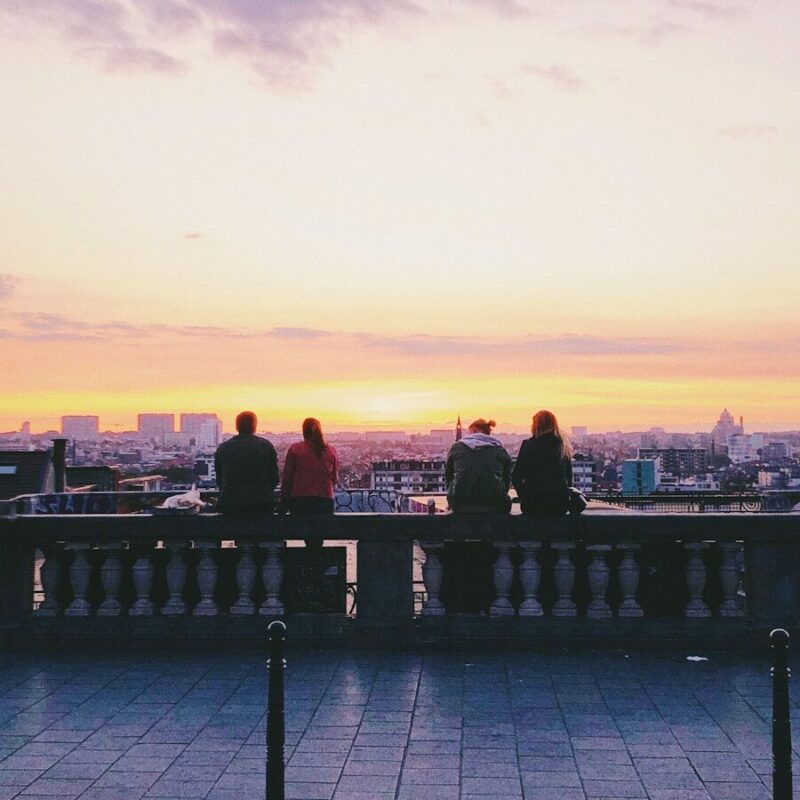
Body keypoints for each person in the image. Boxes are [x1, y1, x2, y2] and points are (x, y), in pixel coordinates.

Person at [214, 411, 279, 514]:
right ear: (254, 426)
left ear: (237, 426)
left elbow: (219, 478)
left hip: (230, 503)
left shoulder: (224, 447)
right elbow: (274, 477)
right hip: (261, 503)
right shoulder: (265, 446)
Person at [512, 409, 573, 516]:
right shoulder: (562, 446)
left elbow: (516, 476)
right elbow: (568, 478)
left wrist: (524, 496)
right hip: (559, 504)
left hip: (533, 503)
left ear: (536, 426)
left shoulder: (529, 445)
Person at [445, 418, 512, 513]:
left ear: (474, 430)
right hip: (494, 504)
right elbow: (507, 478)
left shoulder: (457, 448)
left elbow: (449, 475)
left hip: (461, 503)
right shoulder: (499, 450)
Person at [281, 418, 339, 515]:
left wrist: (284, 500)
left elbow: (288, 478)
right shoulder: (331, 451)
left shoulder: (296, 449)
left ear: (304, 431)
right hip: (325, 499)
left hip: (300, 500)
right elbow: (335, 478)